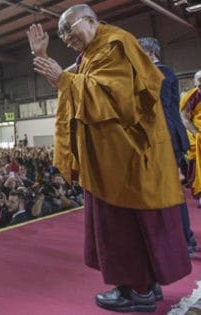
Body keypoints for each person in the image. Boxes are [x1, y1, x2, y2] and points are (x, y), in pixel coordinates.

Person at [28, 4, 191, 313]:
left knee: (124, 226)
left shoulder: (115, 43)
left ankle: (136, 292)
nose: (65, 37)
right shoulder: (90, 54)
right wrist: (44, 60)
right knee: (131, 224)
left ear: (91, 20)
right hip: (111, 157)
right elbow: (73, 87)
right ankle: (146, 285)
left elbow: (117, 98)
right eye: (61, 33)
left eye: (69, 28)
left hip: (124, 157)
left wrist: (63, 79)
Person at [139, 37, 197, 255]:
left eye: (139, 52)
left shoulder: (160, 72)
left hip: (166, 141)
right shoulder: (161, 72)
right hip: (165, 140)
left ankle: (185, 239)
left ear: (151, 52)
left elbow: (159, 111)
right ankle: (180, 238)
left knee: (171, 192)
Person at [180, 71, 201, 203]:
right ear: (195, 82)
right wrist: (197, 134)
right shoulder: (189, 97)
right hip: (196, 132)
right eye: (199, 81)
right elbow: (185, 119)